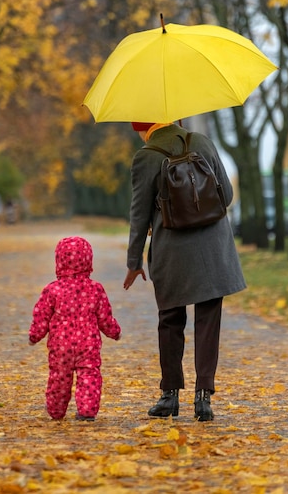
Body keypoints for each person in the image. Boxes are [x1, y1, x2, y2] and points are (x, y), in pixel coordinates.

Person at [123, 122, 246, 421]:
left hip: (172, 250)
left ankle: (170, 396)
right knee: (208, 319)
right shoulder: (202, 142)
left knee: (170, 320)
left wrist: (133, 261)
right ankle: (203, 397)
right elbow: (226, 195)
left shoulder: (146, 155)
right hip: (213, 248)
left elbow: (139, 214)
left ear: (143, 127)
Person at [28, 236, 121, 421]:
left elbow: (42, 316)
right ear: (89, 260)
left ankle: (56, 410)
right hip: (88, 344)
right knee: (89, 375)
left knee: (59, 378)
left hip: (60, 345)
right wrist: (114, 331)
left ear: (59, 260)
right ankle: (87, 410)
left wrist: (34, 335)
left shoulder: (52, 290)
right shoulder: (95, 289)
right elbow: (104, 317)